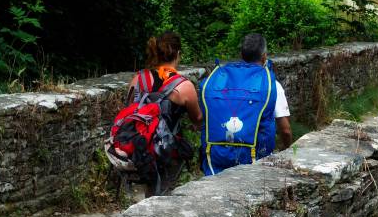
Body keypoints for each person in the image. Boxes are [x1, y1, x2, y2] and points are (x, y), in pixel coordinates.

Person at [115, 31, 202, 196]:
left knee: (143, 194)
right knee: (166, 194)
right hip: (167, 151)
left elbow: (129, 109)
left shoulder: (138, 79)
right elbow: (197, 118)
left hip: (138, 148)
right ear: (178, 54)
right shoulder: (183, 86)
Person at [199, 33, 292, 176]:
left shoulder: (217, 81)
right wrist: (287, 151)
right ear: (264, 57)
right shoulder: (271, 85)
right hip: (255, 162)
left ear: (241, 55)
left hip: (216, 161)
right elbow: (285, 130)